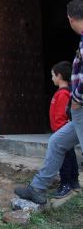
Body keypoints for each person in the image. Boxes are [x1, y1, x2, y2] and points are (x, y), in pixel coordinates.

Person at [15, 0, 83, 204]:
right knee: (57, 141)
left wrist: (77, 100)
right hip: (79, 109)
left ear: (70, 18)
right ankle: (38, 188)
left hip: (81, 106)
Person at [48, 61, 80, 198]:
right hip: (61, 132)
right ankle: (74, 181)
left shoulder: (63, 94)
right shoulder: (62, 92)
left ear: (59, 76)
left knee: (64, 160)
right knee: (70, 156)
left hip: (61, 132)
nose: (52, 78)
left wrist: (60, 132)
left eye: (53, 75)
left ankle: (65, 183)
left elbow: (62, 115)